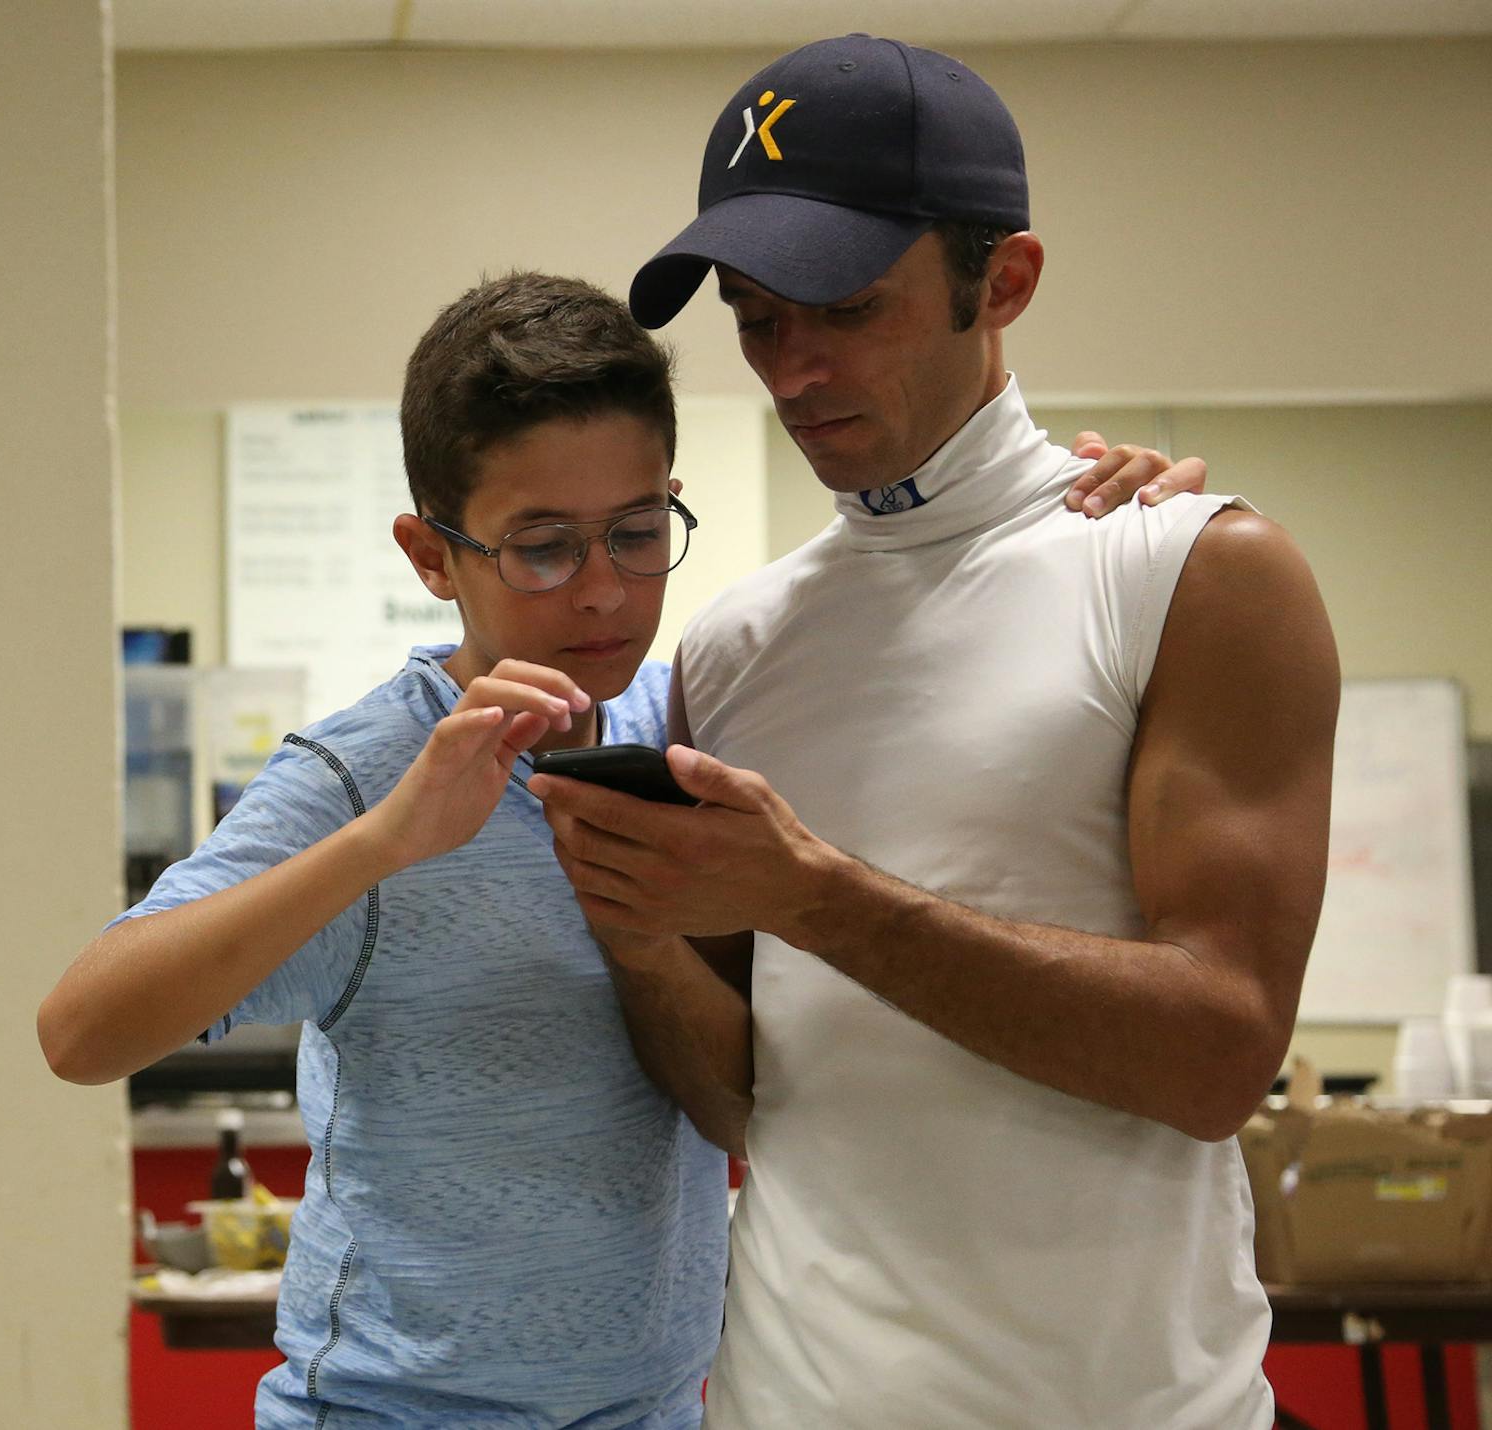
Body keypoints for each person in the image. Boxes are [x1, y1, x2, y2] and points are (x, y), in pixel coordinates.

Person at [38, 273, 1196, 1425]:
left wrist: (1081, 527)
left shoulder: (687, 725)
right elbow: (84, 1029)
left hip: (657, 1407)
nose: (602, 593)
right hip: (395, 1407)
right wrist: (387, 839)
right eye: (542, 547)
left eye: (637, 534)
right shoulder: (362, 775)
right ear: (431, 554)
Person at [532, 34, 1340, 1430]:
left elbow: (1217, 1057)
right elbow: (745, 1100)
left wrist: (815, 897)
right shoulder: (735, 643)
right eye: (755, 319)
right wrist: (642, 931)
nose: (793, 369)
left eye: (845, 308)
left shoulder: (1191, 570)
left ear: (1003, 281)